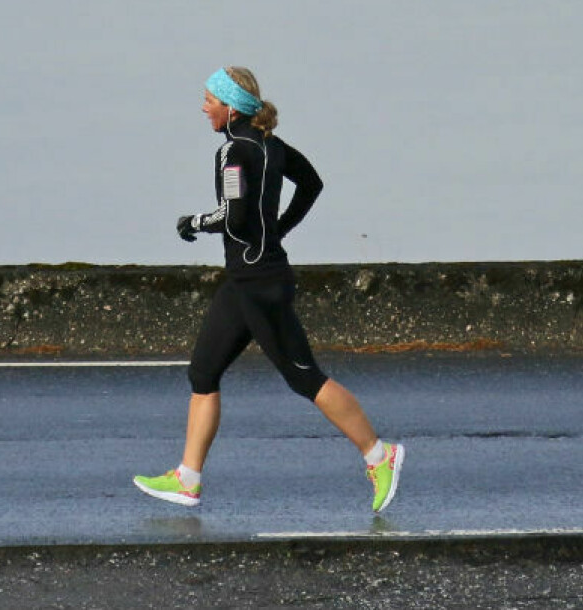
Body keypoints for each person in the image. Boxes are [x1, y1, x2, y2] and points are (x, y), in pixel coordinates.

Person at [133, 66, 404, 513]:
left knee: (305, 378)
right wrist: (279, 230)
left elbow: (234, 215)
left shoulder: (234, 151)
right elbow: (311, 183)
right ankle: (187, 477)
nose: (203, 108)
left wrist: (194, 222)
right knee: (203, 372)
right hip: (246, 281)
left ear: (229, 106)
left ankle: (380, 456)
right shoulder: (270, 145)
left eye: (209, 100)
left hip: (260, 285)